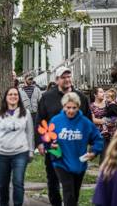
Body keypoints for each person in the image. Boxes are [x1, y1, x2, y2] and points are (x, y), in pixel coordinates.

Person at [36, 66, 92, 206]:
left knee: (75, 180)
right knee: (53, 179)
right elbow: (40, 120)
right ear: (57, 80)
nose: (67, 79)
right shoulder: (47, 97)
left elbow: (88, 121)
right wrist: (40, 142)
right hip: (54, 146)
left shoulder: (81, 97)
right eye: (63, 77)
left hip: (76, 146)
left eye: (69, 76)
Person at [49, 92, 103, 206]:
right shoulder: (55, 121)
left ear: (78, 107)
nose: (71, 110)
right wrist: (51, 146)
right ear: (63, 106)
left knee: (75, 194)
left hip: (79, 163)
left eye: (74, 107)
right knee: (69, 193)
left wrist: (94, 151)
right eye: (68, 107)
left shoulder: (85, 122)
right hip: (61, 162)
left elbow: (98, 139)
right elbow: (47, 139)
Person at [0, 87, 34, 206]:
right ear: (6, 97)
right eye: (10, 94)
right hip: (1, 153)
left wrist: (30, 151)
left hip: (20, 152)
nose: (13, 96)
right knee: (3, 183)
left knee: (18, 182)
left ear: (19, 97)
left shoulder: (26, 113)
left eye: (15, 94)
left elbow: (30, 132)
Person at [19, 74, 41, 148]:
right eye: (29, 79)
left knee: (36, 130)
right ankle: (27, 146)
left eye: (32, 79)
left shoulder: (37, 89)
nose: (31, 80)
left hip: (35, 113)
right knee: (27, 130)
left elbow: (40, 101)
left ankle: (36, 146)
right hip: (25, 113)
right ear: (25, 79)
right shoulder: (20, 90)